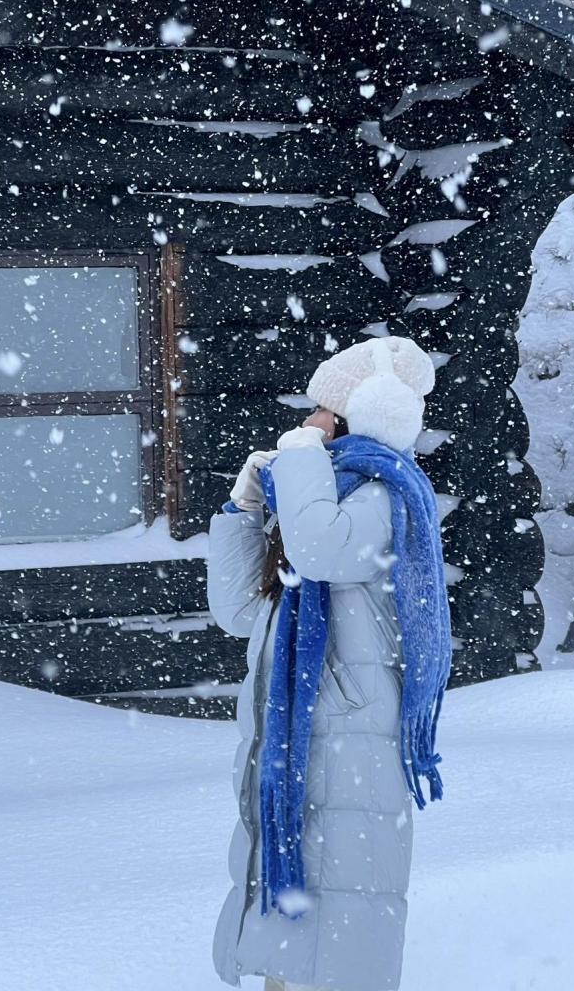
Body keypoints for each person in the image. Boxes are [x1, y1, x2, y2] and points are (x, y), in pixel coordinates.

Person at [207, 336, 452, 991]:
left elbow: (321, 551)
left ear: (360, 416)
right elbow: (238, 613)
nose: (307, 423)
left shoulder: (382, 498)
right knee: (290, 937)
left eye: (322, 411)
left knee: (337, 934)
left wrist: (298, 463)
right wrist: (243, 510)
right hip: (297, 744)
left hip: (351, 748)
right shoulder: (314, 498)